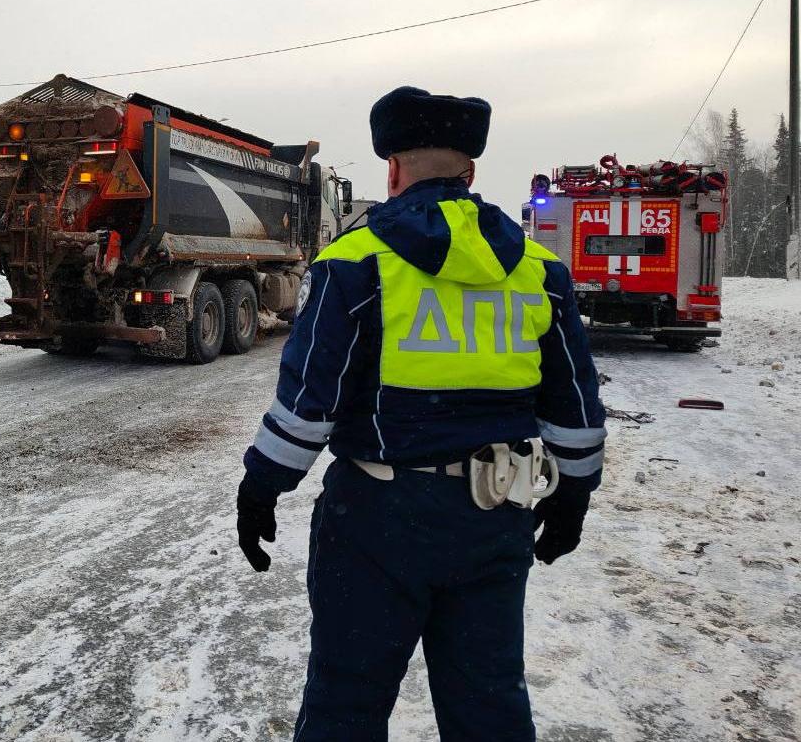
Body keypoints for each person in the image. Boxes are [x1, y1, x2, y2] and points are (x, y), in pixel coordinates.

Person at [235, 86, 606, 741]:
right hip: (496, 516)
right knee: (489, 705)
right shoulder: (539, 270)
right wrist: (573, 493)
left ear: (393, 169)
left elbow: (307, 405)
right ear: (470, 172)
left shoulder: (354, 261)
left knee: (345, 703)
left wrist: (261, 488)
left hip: (377, 523)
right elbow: (574, 403)